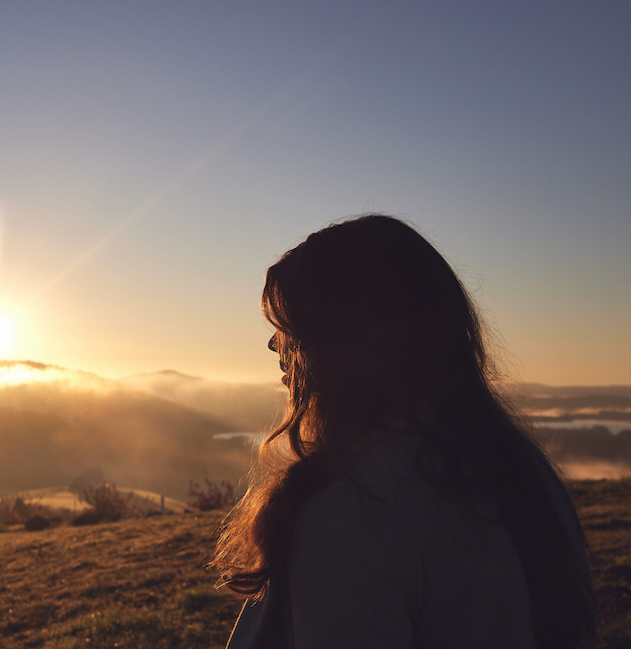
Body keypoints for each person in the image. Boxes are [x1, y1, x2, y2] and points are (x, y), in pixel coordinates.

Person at [213, 215, 596, 649]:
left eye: (289, 328)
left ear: (341, 345)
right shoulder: (523, 470)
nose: (274, 346)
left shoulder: (353, 514)